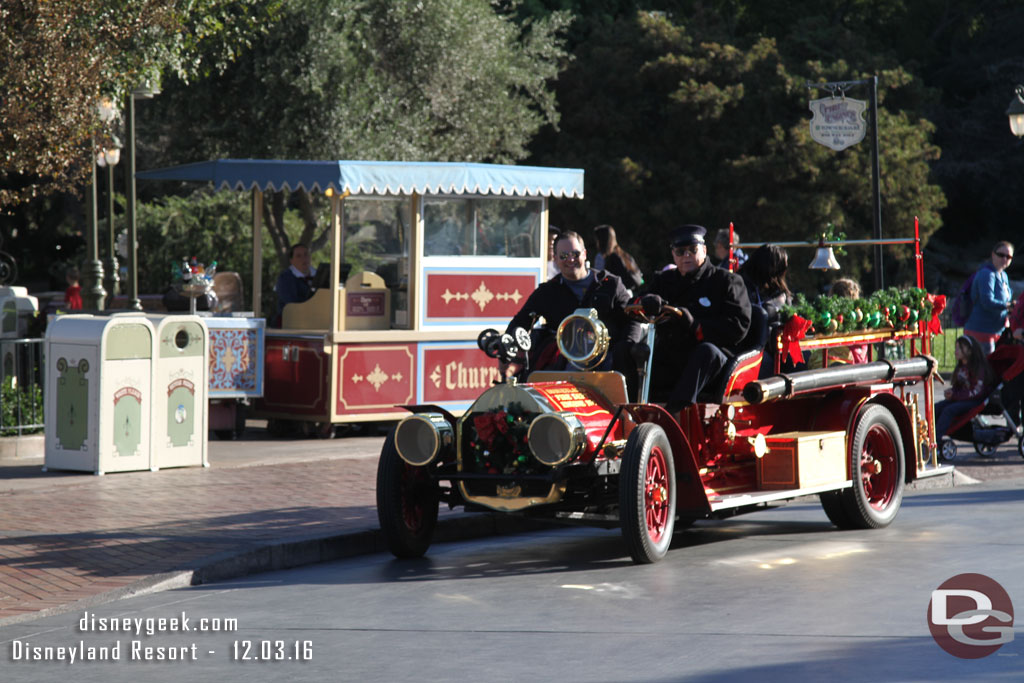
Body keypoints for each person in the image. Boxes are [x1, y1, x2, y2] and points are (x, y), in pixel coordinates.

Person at [502, 230, 642, 386]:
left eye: (575, 254)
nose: (570, 259)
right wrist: (507, 346)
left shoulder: (610, 284)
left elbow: (633, 317)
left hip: (608, 360)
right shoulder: (548, 292)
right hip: (564, 362)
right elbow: (520, 322)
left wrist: (627, 347)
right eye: (563, 256)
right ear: (554, 259)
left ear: (585, 254)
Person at [640, 224, 752, 413]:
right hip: (672, 355)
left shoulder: (725, 281)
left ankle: (674, 416)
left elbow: (739, 325)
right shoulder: (664, 281)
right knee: (632, 352)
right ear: (673, 254)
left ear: (704, 250)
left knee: (705, 352)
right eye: (680, 251)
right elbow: (635, 303)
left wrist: (696, 325)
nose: (686, 256)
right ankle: (627, 413)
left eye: (693, 250)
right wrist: (647, 301)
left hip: (715, 362)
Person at [934, 335, 995, 440]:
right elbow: (958, 386)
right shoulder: (961, 367)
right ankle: (930, 435)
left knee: (949, 410)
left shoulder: (978, 368)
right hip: (961, 398)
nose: (956, 351)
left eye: (960, 348)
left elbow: (977, 391)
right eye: (956, 347)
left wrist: (955, 395)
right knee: (936, 407)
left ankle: (937, 438)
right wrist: (951, 392)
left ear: (970, 351)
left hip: (975, 400)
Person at [964, 241, 1014, 354]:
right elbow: (986, 302)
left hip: (995, 333)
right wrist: (1007, 306)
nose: (1005, 259)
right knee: (983, 369)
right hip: (980, 332)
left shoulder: (1003, 275)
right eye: (1001, 255)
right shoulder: (987, 274)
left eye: (1009, 256)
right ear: (993, 254)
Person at [593, 225, 643, 293]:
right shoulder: (623, 254)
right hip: (628, 293)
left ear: (601, 240)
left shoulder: (611, 259)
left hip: (617, 295)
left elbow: (600, 280)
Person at [275, 243, 316, 319]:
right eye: (298, 256)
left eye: (306, 254)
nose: (304, 258)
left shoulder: (319, 275)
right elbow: (291, 304)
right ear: (291, 260)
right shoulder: (285, 278)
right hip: (290, 322)